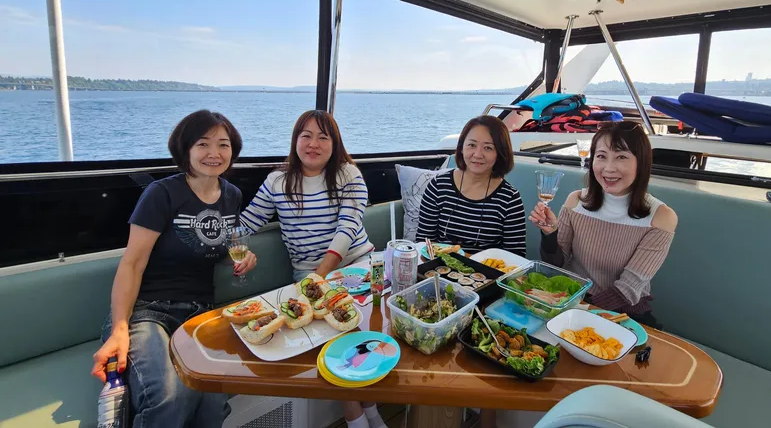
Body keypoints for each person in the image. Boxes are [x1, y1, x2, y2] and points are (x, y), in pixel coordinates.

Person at [91, 110, 257, 428]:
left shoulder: (232, 196)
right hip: (147, 311)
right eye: (203, 144)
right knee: (170, 396)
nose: (214, 153)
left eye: (223, 145)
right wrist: (120, 329)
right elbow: (132, 264)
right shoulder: (162, 194)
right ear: (185, 150)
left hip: (198, 314)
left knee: (213, 397)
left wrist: (243, 258)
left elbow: (216, 248)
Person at [239, 109, 382, 428]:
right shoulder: (277, 181)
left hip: (357, 266)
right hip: (308, 277)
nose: (313, 143)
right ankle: (360, 416)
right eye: (306, 135)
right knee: (334, 338)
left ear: (335, 143)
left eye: (323, 136)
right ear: (295, 141)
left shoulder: (349, 174)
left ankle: (367, 412)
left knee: (354, 329)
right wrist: (240, 251)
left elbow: (348, 227)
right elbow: (246, 223)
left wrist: (320, 277)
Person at [529, 121, 678, 328]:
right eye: (601, 156)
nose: (608, 168)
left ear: (641, 162)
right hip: (571, 300)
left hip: (622, 312)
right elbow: (557, 264)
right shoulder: (576, 201)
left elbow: (627, 289)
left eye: (621, 157)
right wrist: (550, 234)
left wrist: (578, 311)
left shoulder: (661, 217)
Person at [416, 115, 527, 256]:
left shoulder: (509, 199)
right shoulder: (438, 186)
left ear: (500, 153)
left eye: (488, 148)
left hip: (487, 274)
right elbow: (424, 242)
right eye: (472, 145)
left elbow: (516, 257)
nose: (478, 154)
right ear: (461, 147)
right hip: (437, 271)